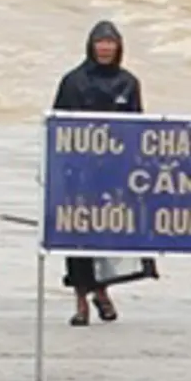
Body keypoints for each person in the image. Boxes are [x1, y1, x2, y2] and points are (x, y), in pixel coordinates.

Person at [53, 20, 155, 326]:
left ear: (119, 46)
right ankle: (81, 301)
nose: (105, 47)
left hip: (114, 175)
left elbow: (138, 129)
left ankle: (102, 290)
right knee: (78, 239)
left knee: (108, 236)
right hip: (79, 175)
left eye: (111, 42)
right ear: (91, 45)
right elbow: (58, 128)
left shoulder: (129, 83)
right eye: (100, 42)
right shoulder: (73, 81)